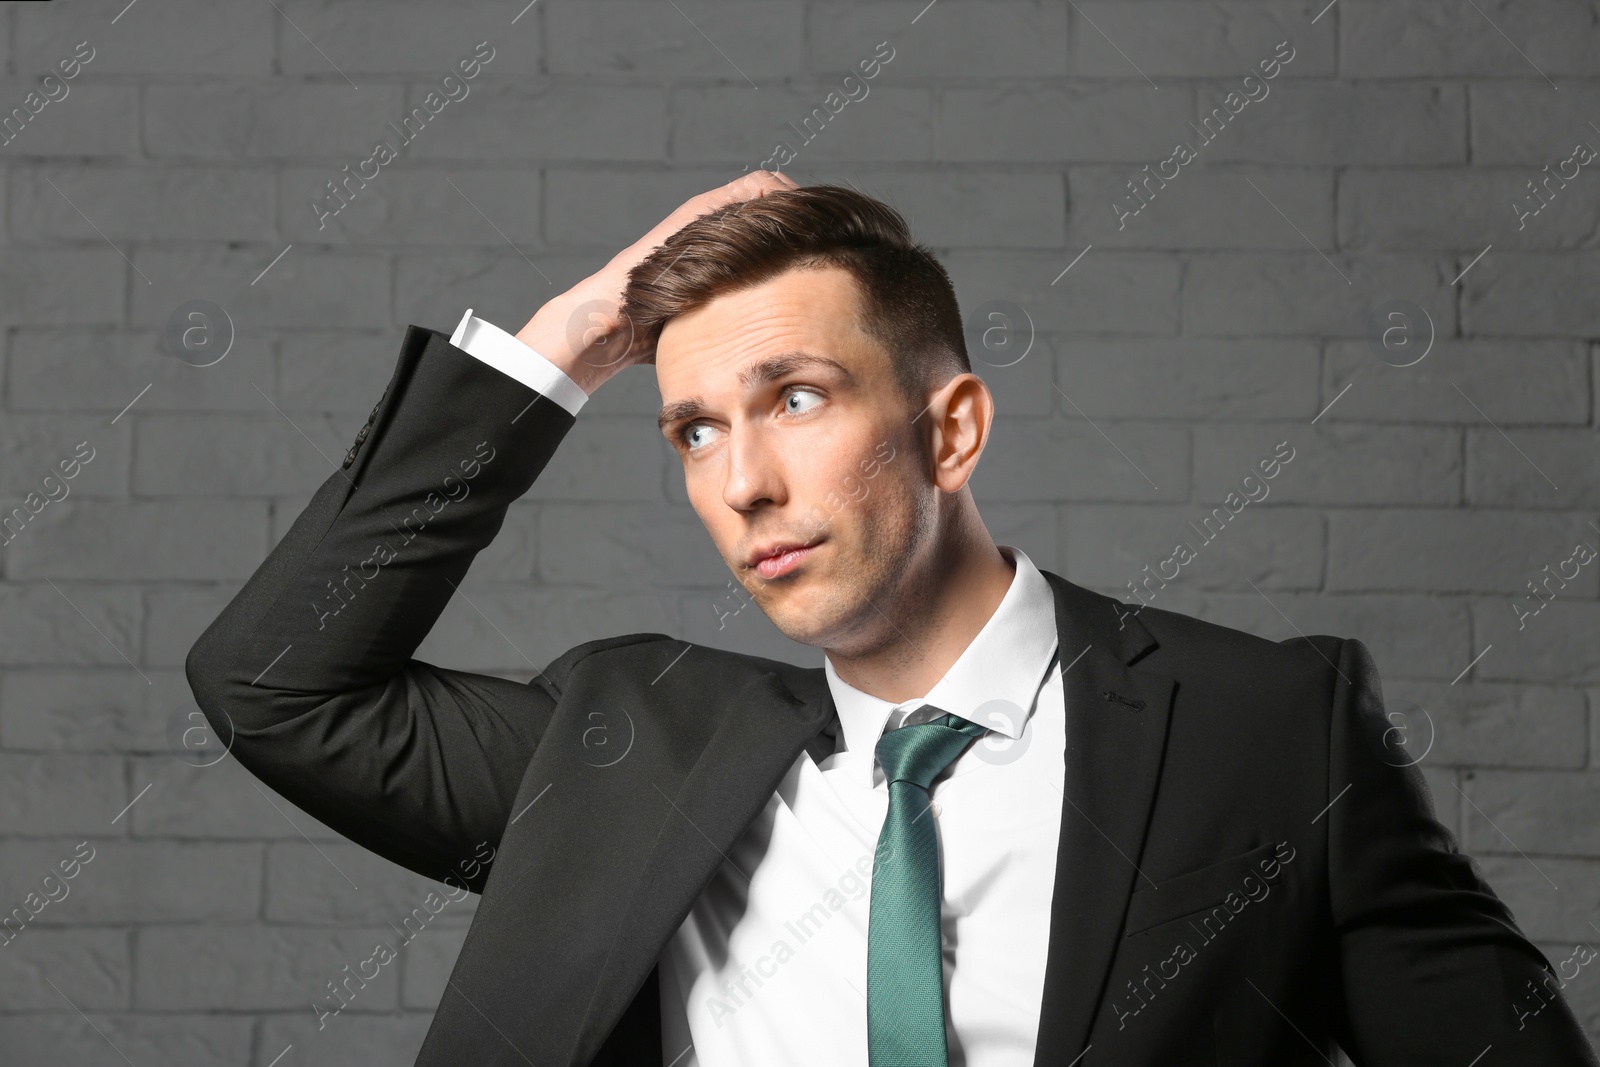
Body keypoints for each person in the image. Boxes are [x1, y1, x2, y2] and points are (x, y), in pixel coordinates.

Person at [184, 172, 1598, 1066]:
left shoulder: (1269, 733)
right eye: (691, 432)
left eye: (796, 398)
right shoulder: (618, 748)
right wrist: (562, 347)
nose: (742, 482)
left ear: (953, 427)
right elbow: (275, 686)